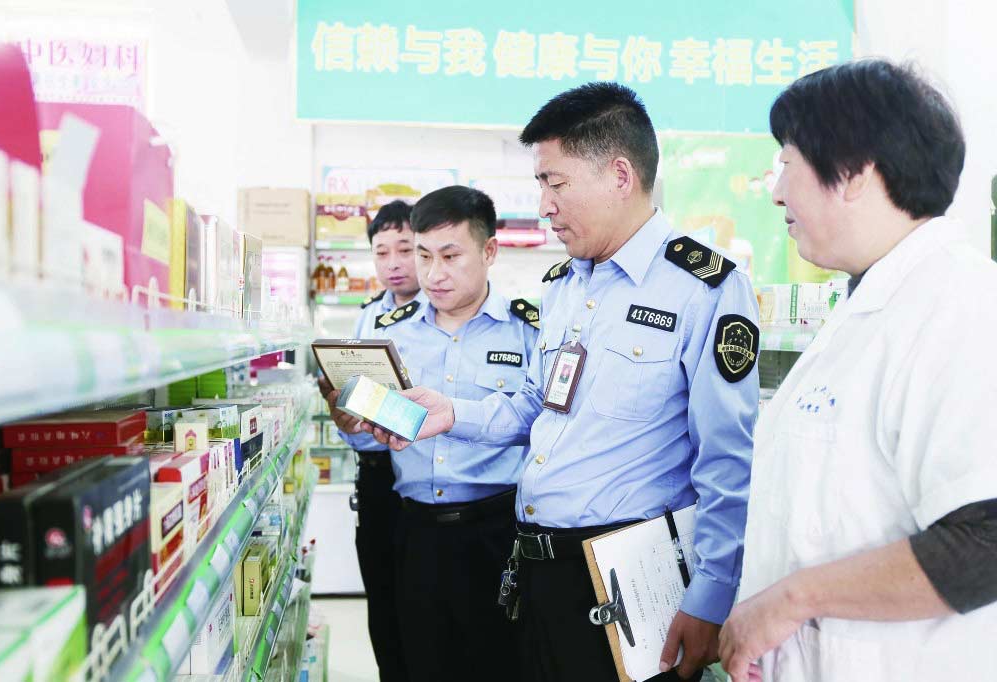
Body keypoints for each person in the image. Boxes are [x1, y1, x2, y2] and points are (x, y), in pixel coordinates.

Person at [364, 83, 760, 682]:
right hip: (539, 570)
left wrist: (710, 595)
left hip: (632, 580)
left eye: (556, 183)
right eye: (540, 184)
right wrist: (452, 412)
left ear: (619, 175)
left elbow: (727, 462)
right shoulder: (565, 286)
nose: (544, 205)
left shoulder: (703, 288)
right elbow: (537, 403)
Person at [718, 60, 997, 682]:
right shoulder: (869, 306)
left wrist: (792, 600)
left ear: (853, 173)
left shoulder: (963, 306)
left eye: (786, 163)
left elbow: (987, 541)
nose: (775, 192)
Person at [331, 185, 538, 682]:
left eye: (450, 256)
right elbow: (373, 439)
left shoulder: (529, 331)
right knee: (422, 663)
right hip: (416, 532)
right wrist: (352, 424)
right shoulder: (391, 333)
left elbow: (538, 424)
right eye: (424, 256)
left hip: (498, 532)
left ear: (489, 251)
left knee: (502, 666)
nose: (434, 274)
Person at [318, 199, 421, 682]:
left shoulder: (444, 314)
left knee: (427, 612)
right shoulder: (368, 319)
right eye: (382, 253)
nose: (394, 263)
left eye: (406, 249)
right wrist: (348, 420)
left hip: (427, 484)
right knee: (383, 606)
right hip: (379, 480)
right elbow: (356, 408)